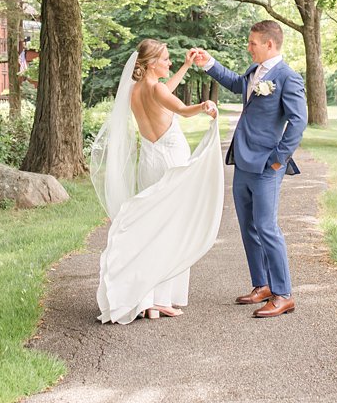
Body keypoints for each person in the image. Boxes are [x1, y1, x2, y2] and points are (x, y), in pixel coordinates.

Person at [92, 40, 223, 324]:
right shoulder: (156, 89)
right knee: (170, 228)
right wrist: (204, 106)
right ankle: (160, 300)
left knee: (152, 226)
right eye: (165, 59)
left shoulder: (134, 90)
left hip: (149, 164)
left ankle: (149, 299)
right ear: (151, 63)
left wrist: (188, 66)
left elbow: (164, 94)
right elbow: (181, 109)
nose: (169, 63)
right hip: (170, 163)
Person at [188, 20, 307, 319]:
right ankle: (262, 285)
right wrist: (209, 63)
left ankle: (284, 294)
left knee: (267, 227)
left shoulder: (288, 77)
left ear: (269, 44)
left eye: (253, 43)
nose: (248, 47)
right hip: (242, 161)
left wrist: (278, 159)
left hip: (268, 165)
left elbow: (299, 121)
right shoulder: (255, 73)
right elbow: (236, 84)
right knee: (248, 227)